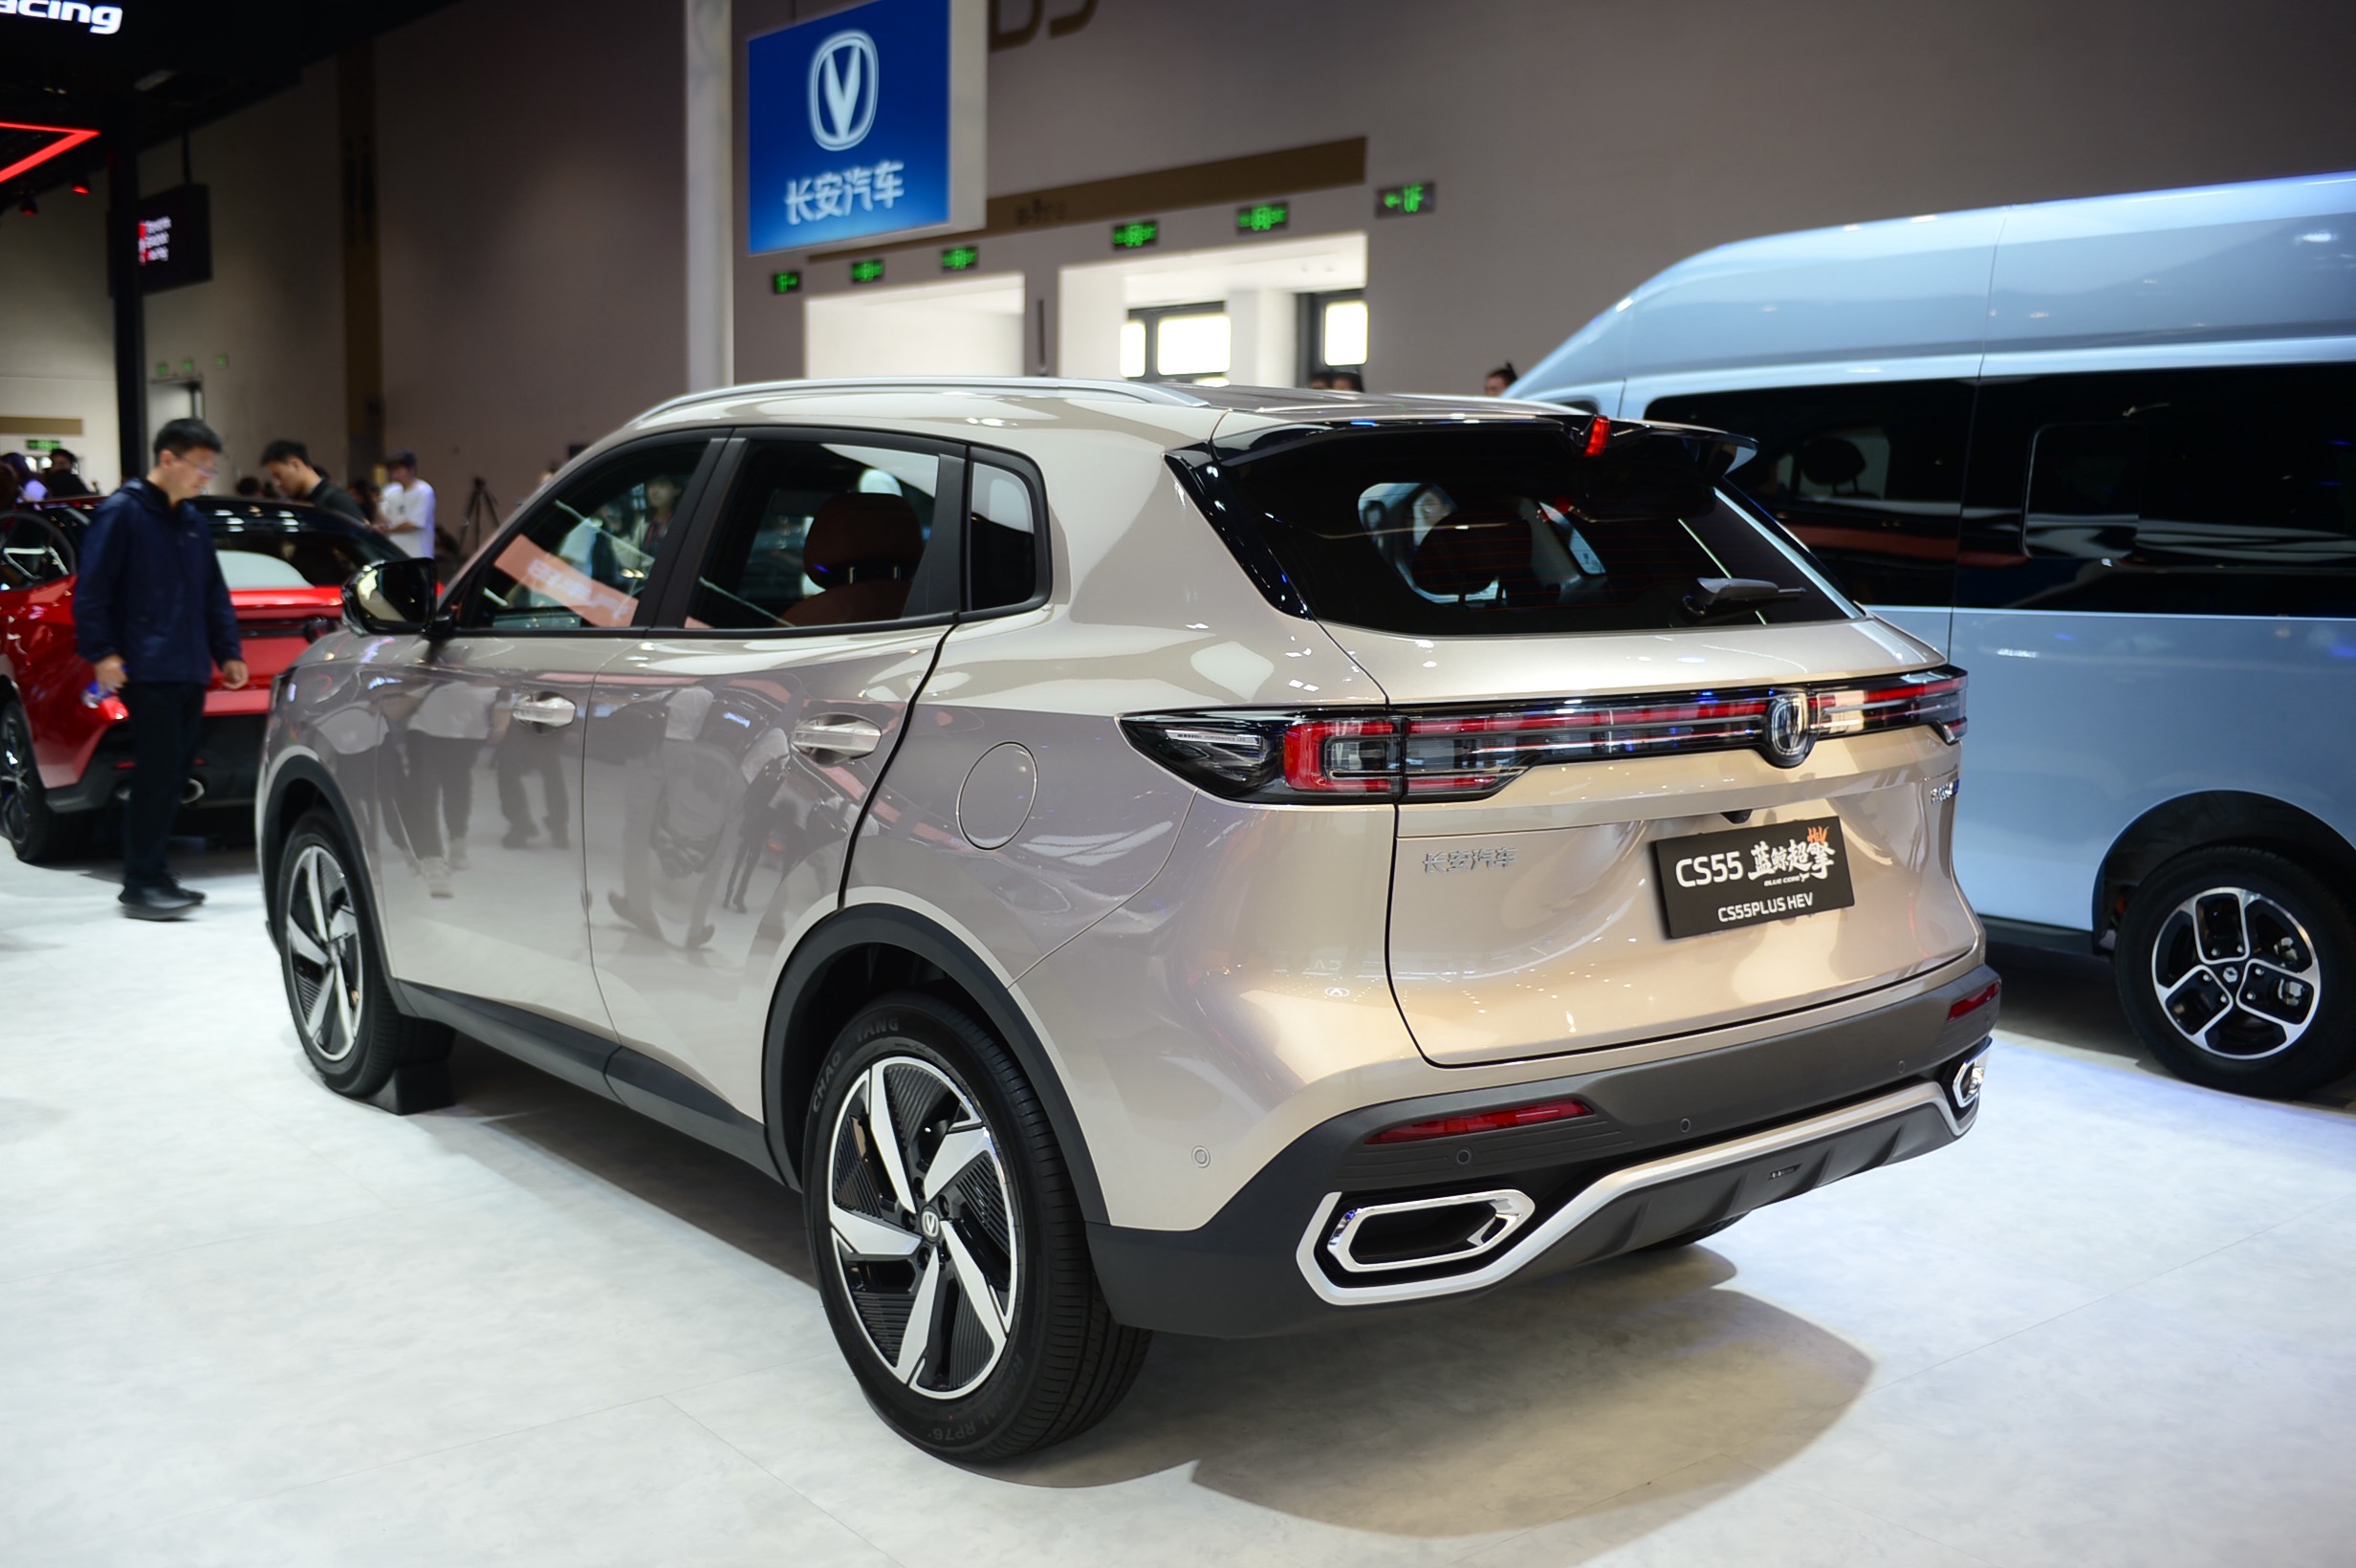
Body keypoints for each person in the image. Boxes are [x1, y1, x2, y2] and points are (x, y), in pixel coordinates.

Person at [73, 418, 249, 919]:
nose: (206, 477)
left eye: (211, 469)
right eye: (200, 467)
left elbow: (213, 593)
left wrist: (228, 651)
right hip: (145, 667)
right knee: (156, 773)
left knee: (173, 774)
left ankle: (155, 872)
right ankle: (141, 881)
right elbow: (93, 590)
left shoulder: (190, 520)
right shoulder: (123, 513)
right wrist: (102, 652)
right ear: (168, 459)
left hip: (188, 665)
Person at [258, 439, 367, 524]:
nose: (277, 483)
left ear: (295, 464)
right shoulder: (301, 500)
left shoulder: (336, 500)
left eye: (278, 475)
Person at [380, 448, 436, 562]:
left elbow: (414, 524)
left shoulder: (424, 491)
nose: (394, 475)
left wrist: (389, 530)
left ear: (411, 469)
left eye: (398, 470)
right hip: (394, 553)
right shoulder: (390, 490)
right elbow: (383, 518)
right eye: (392, 471)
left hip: (417, 554)